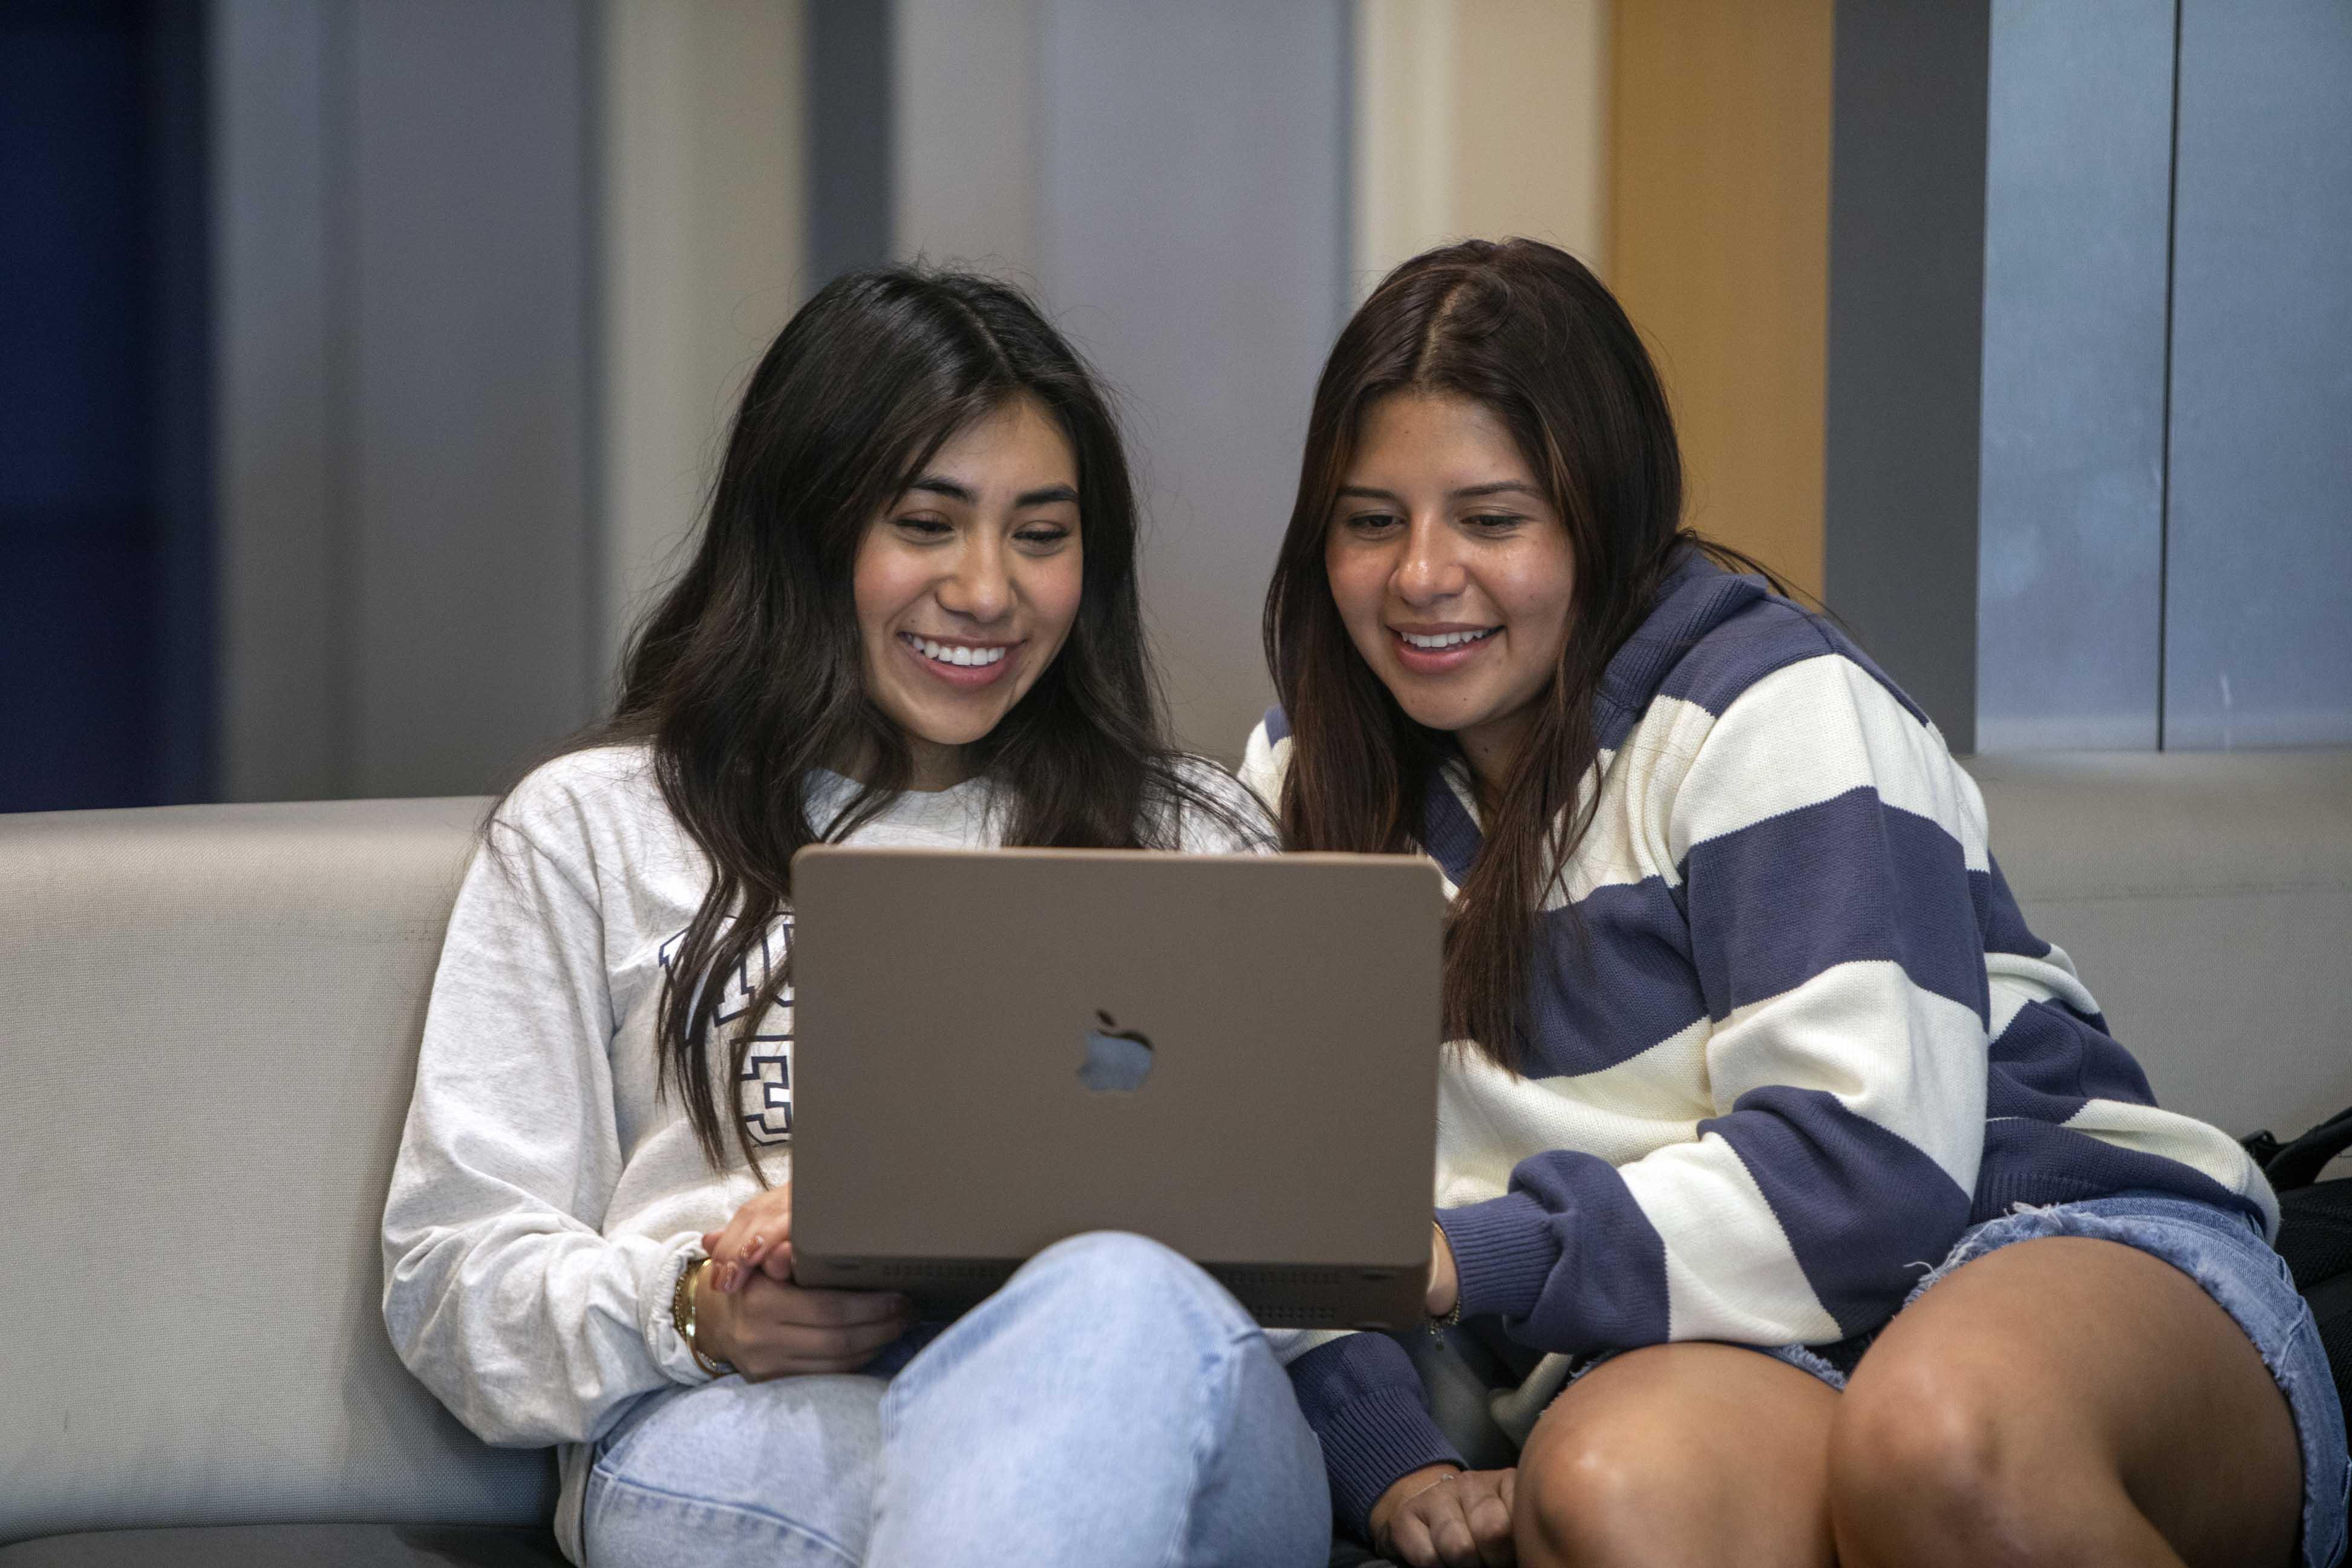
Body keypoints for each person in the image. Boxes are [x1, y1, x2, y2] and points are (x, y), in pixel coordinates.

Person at [1243, 237, 2348, 1568]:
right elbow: (1278, 1197)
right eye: (1373, 521)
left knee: (1939, 1442)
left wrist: (1459, 1257)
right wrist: (1390, 1444)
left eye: (1492, 518)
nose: (1422, 574)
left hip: (2022, 1233)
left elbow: (1869, 1181)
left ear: (1603, 515)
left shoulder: (1766, 705)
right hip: (1708, 1327)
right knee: (1604, 1489)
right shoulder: (1300, 782)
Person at [381, 267, 1329, 1568]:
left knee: (1111, 1308)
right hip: (749, 1417)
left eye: (1041, 535)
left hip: (1156, 1413)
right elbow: (450, 1277)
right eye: (927, 524)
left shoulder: (1195, 834)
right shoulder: (595, 826)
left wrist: (1036, 1260)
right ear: (806, 532)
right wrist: (695, 1309)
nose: (988, 591)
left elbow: (1313, 1272)